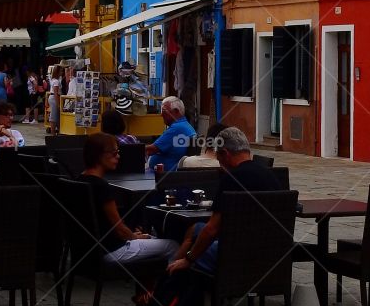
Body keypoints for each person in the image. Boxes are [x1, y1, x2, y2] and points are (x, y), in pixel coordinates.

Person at [167, 126, 278, 276]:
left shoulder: (231, 179)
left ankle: (168, 277)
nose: (219, 166)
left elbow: (212, 229)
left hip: (234, 255)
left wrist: (189, 259)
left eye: (219, 159)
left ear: (225, 154)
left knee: (192, 249)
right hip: (270, 252)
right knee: (197, 228)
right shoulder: (270, 176)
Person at [80, 133, 177, 270]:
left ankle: (147, 289)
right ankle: (169, 290)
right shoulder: (101, 186)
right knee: (172, 246)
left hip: (87, 253)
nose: (118, 156)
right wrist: (133, 237)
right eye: (114, 153)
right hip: (111, 251)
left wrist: (132, 236)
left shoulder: (79, 180)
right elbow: (119, 230)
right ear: (99, 155)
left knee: (151, 241)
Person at [146, 97, 198, 173]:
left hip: (165, 174)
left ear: (176, 111)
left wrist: (133, 148)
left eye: (164, 111)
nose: (161, 115)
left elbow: (150, 150)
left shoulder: (177, 128)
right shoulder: (184, 125)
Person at [47, 64, 63, 133]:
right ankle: (53, 132)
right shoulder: (56, 81)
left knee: (55, 115)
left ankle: (56, 130)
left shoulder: (54, 80)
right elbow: (56, 93)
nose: (62, 72)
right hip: (54, 98)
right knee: (53, 115)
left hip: (53, 97)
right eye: (61, 71)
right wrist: (58, 103)